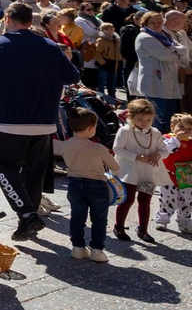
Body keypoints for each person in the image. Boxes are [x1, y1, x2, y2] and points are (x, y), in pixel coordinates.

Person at [0, 1, 78, 240]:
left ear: (8, 18)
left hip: (7, 120)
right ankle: (27, 216)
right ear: (31, 21)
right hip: (43, 121)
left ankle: (27, 213)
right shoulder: (50, 46)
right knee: (34, 171)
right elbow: (72, 75)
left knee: (2, 166)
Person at [53, 108, 123, 262]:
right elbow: (115, 167)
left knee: (77, 217)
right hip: (97, 185)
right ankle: (97, 250)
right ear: (91, 128)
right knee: (99, 219)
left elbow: (51, 145)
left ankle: (78, 248)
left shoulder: (65, 145)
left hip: (74, 184)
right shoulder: (98, 148)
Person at [113, 98, 171, 244]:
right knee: (128, 199)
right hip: (130, 172)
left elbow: (164, 151)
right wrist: (136, 157)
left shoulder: (155, 132)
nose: (144, 123)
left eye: (148, 119)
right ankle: (119, 226)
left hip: (148, 172)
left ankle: (143, 229)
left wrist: (157, 154)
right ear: (131, 117)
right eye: (140, 119)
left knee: (145, 201)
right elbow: (117, 149)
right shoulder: (125, 131)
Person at [128, 12, 184, 132]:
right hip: (155, 83)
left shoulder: (166, 35)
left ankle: (167, 145)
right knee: (157, 119)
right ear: (145, 23)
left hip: (170, 84)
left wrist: (172, 51)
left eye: (159, 21)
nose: (157, 24)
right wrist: (175, 52)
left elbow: (183, 49)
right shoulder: (145, 37)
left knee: (169, 119)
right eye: (153, 22)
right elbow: (166, 56)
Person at [152, 113, 192, 234]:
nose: (185, 131)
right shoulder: (166, 139)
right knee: (168, 198)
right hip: (168, 175)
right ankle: (162, 219)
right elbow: (165, 151)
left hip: (186, 176)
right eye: (181, 127)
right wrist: (177, 140)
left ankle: (185, 222)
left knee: (187, 199)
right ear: (172, 126)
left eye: (189, 128)